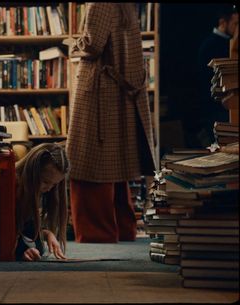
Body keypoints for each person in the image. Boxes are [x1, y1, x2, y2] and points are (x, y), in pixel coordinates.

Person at [66, 3, 157, 243]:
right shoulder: (125, 6)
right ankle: (123, 228)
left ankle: (97, 232)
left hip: (99, 89)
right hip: (117, 91)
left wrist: (74, 44)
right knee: (113, 164)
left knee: (87, 161)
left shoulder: (100, 4)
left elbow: (93, 44)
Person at [0, 142, 70, 261]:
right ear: (32, 171)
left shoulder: (31, 189)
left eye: (54, 184)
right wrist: (20, 251)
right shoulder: (11, 187)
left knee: (39, 249)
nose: (49, 188)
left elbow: (26, 228)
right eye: (45, 182)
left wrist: (47, 234)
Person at [197, 5, 239, 146]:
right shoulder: (211, 45)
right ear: (223, 23)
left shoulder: (228, 43)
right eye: (236, 24)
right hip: (216, 110)